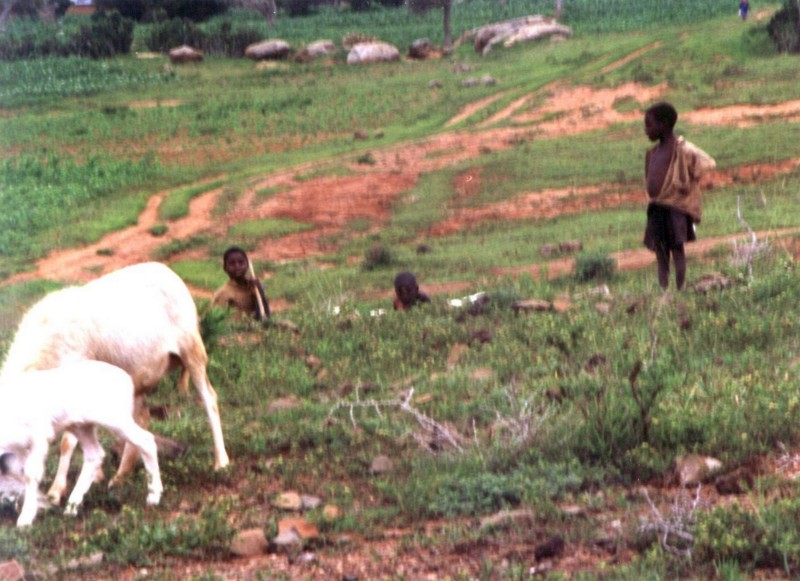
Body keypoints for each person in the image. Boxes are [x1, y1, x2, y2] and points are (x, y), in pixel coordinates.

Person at [642, 102, 716, 291]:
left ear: (664, 124)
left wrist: (701, 181)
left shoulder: (682, 149)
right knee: (660, 252)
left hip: (676, 207)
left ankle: (681, 288)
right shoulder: (652, 153)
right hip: (657, 208)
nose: (646, 130)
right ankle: (664, 291)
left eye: (649, 125)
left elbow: (705, 163)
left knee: (677, 249)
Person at [211, 246, 270, 320]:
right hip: (236, 330)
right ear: (225, 268)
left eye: (241, 262)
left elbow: (265, 316)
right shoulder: (223, 293)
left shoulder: (254, 287)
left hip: (255, 328)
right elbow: (215, 319)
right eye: (232, 264)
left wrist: (260, 291)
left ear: (247, 265)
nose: (237, 266)